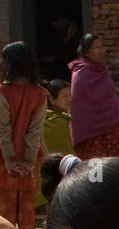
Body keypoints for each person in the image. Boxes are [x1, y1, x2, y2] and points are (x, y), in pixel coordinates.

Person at [0, 41, 47, 229]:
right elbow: (35, 131)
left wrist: (10, 158)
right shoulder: (40, 93)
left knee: (2, 216)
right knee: (27, 216)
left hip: (4, 161)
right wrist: (28, 160)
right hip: (29, 162)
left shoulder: (2, 91)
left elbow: (3, 128)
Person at [69, 35, 119, 160]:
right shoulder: (81, 74)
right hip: (91, 130)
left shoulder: (103, 69)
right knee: (96, 167)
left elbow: (110, 96)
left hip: (111, 124)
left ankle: (114, 180)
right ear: (86, 52)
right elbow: (78, 105)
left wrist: (117, 112)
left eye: (102, 47)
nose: (101, 51)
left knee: (114, 163)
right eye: (96, 48)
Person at [35, 80, 73, 215]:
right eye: (65, 96)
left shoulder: (63, 119)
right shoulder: (57, 123)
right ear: (52, 99)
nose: (69, 100)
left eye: (70, 95)